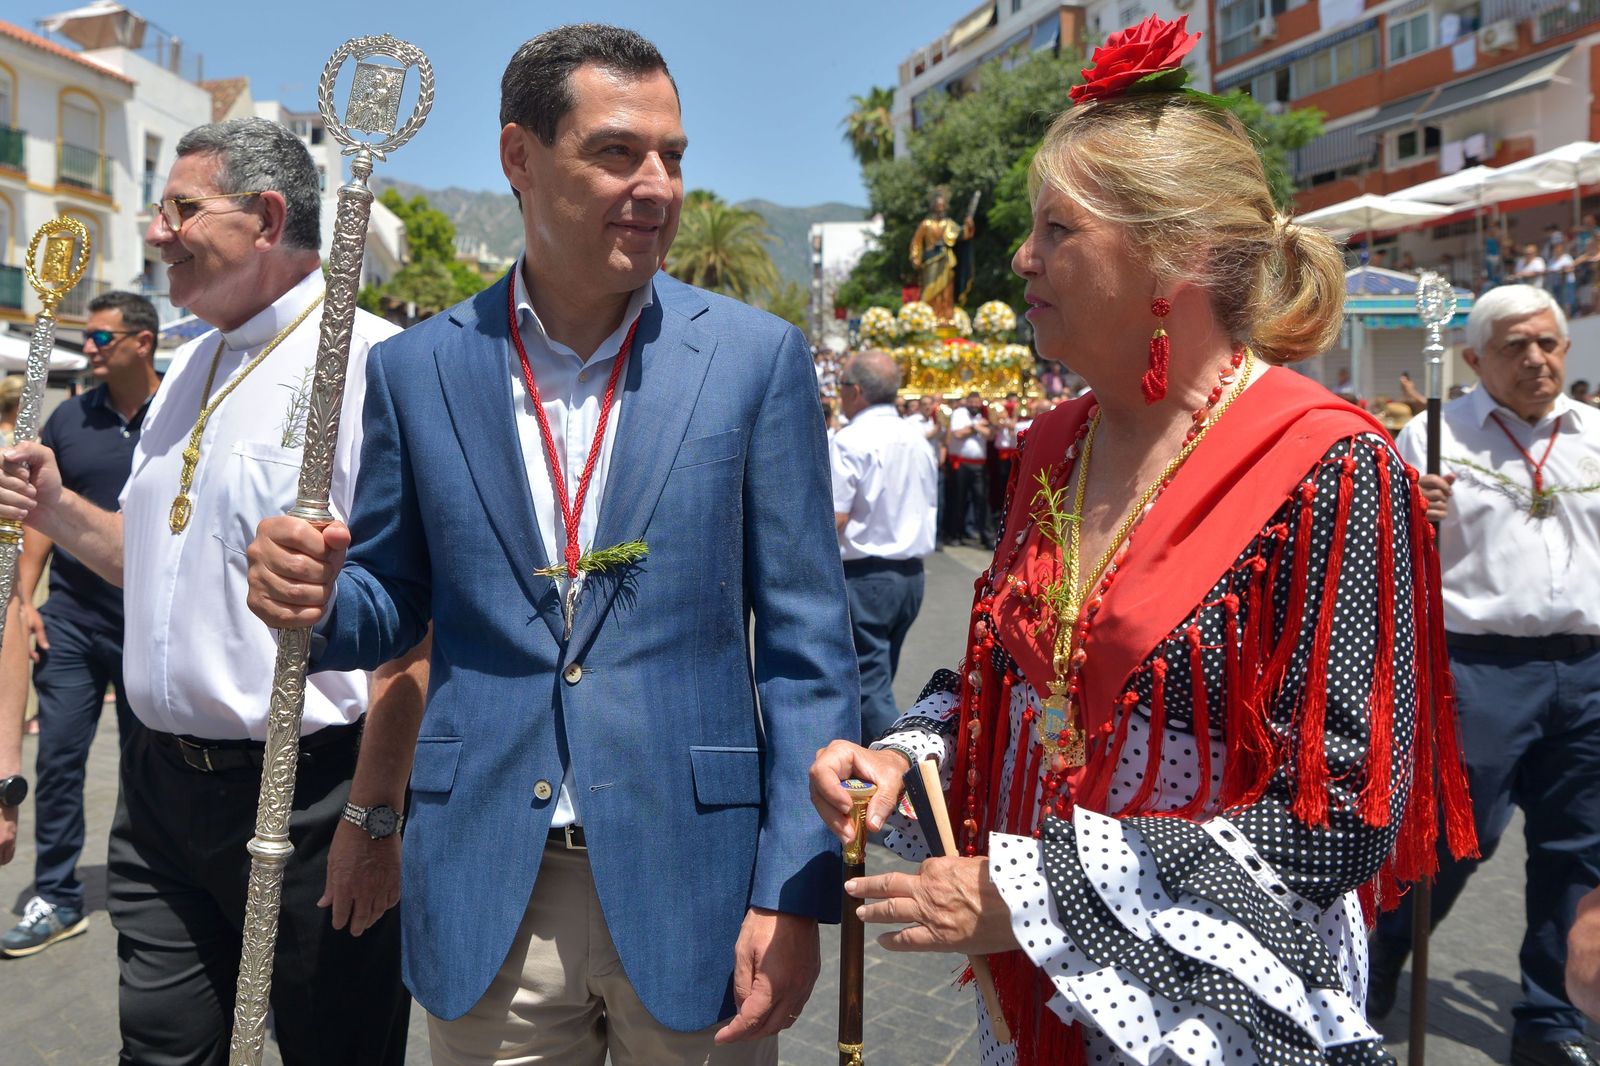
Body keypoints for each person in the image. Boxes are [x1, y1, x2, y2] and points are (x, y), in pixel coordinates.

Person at [808, 16, 1473, 1064]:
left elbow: (1339, 816)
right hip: (1030, 991)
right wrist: (905, 753)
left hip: (1209, 1009)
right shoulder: (1054, 444)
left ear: (1180, 257)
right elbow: (1013, 680)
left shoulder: (1331, 465)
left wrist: (1036, 890)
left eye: (1058, 229)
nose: (1022, 257)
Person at [242, 25, 855, 1066]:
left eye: (672, 156)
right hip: (490, 885)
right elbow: (394, 601)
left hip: (696, 883)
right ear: (518, 156)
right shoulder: (419, 370)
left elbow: (808, 651)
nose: (657, 185)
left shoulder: (753, 361)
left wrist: (793, 891)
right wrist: (316, 595)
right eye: (617, 152)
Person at [0, 117, 419, 1064]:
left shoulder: (377, 365)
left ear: (266, 218)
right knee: (161, 1048)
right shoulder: (191, 360)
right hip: (157, 793)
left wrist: (375, 813)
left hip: (308, 794)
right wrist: (59, 510)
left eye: (181, 209)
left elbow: (418, 620)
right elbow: (154, 562)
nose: (157, 233)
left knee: (335, 1051)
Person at [1374, 284, 1600, 1065]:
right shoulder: (1434, 436)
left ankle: (1549, 1022)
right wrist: (1412, 513)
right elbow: (1388, 557)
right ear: (1473, 359)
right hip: (1476, 669)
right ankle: (1385, 950)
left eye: (1548, 343)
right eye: (1514, 346)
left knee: (1577, 851)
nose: (1536, 359)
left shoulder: (1595, 436)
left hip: (1588, 668)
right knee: (1453, 841)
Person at [0, 292, 158, 958]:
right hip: (71, 621)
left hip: (148, 625)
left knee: (149, 771)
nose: (88, 348)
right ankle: (58, 896)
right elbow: (41, 514)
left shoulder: (181, 413)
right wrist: (25, 598)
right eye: (87, 338)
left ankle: (150, 890)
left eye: (100, 338)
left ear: (142, 342)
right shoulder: (68, 417)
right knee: (60, 761)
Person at [832, 350, 938, 742]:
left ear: (856, 391)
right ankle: (872, 760)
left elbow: (836, 516)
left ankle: (903, 767)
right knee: (877, 678)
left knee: (869, 687)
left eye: (842, 386)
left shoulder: (850, 440)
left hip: (867, 576)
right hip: (910, 576)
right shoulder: (916, 437)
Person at [910, 186, 976, 322]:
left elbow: (963, 235)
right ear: (933, 207)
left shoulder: (949, 224)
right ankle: (929, 319)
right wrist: (915, 257)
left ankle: (946, 317)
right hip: (930, 262)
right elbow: (916, 242)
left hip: (946, 261)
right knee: (930, 290)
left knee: (946, 290)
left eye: (942, 206)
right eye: (937, 206)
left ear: (945, 207)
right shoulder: (926, 224)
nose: (940, 209)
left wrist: (969, 225)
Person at [945, 390, 991, 546]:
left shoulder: (982, 415)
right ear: (967, 402)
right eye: (971, 402)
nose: (974, 405)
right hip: (961, 463)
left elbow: (990, 434)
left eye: (977, 403)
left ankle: (987, 536)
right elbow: (958, 434)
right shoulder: (960, 413)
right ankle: (955, 535)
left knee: (982, 500)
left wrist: (973, 427)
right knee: (959, 499)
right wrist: (976, 427)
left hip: (979, 465)